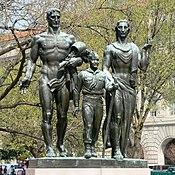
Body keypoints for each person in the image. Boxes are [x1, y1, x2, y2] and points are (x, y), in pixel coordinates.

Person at [20, 8, 86, 157]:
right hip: (46, 77)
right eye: (53, 17)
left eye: (58, 17)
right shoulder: (39, 39)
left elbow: (81, 58)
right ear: (48, 19)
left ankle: (60, 144)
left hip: (63, 78)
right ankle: (49, 147)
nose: (56, 19)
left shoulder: (69, 39)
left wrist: (76, 61)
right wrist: (27, 76)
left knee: (62, 115)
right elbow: (31, 60)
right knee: (47, 114)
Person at [102, 19, 151, 160]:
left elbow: (143, 66)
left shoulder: (134, 48)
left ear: (128, 30)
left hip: (130, 87)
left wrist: (146, 51)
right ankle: (116, 150)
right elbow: (104, 68)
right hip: (116, 84)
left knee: (127, 121)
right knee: (116, 117)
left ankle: (123, 151)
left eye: (125, 27)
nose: (123, 29)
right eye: (120, 27)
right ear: (116, 29)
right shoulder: (110, 48)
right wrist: (109, 80)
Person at [78, 51, 115, 159]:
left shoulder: (102, 75)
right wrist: (76, 105)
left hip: (98, 101)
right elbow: (77, 90)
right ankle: (88, 147)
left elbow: (107, 87)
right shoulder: (83, 74)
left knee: (96, 126)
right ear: (89, 60)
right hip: (87, 100)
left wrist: (113, 87)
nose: (95, 62)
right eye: (93, 60)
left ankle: (93, 145)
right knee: (88, 125)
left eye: (97, 60)